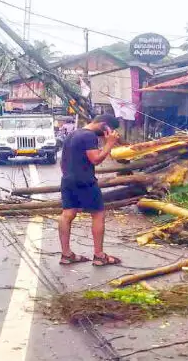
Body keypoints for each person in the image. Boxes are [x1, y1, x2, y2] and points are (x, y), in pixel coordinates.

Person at [58, 114, 123, 266]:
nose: (109, 133)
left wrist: (70, 175)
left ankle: (66, 255)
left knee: (67, 214)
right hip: (85, 181)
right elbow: (96, 159)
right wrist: (109, 143)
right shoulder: (89, 136)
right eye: (109, 129)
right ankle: (99, 256)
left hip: (67, 179)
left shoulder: (73, 133)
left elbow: (63, 161)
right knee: (98, 214)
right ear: (104, 125)